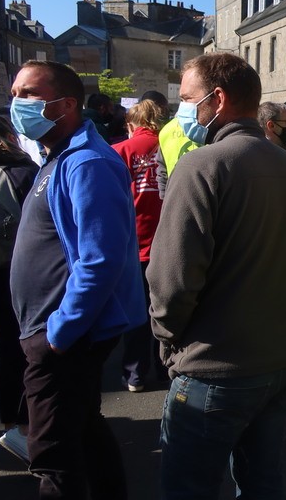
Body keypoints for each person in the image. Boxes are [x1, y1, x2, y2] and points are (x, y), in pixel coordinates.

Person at [147, 53, 286, 499]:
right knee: (263, 483)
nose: (182, 109)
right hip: (277, 363)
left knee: (189, 488)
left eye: (188, 99)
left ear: (217, 99)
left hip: (213, 369)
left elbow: (172, 279)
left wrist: (168, 342)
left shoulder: (201, 165)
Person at [9, 60, 146, 498]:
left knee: (52, 452)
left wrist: (59, 332)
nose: (16, 103)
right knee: (83, 428)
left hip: (61, 335)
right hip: (50, 331)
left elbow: (100, 259)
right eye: (14, 93)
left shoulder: (86, 162)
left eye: (27, 94)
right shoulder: (58, 157)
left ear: (65, 104)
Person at [0, 112, 38, 463]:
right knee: (22, 346)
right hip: (14, 270)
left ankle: (12, 423)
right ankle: (22, 426)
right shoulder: (22, 172)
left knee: (7, 346)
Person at [112, 99, 166, 393]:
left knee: (136, 313)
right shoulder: (169, 147)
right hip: (167, 242)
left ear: (132, 125)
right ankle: (165, 367)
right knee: (165, 309)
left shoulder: (119, 151)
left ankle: (135, 374)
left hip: (132, 242)